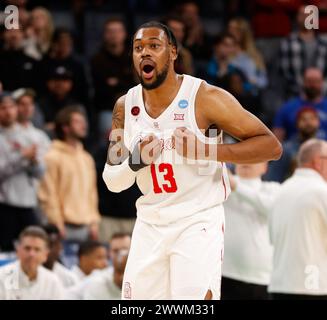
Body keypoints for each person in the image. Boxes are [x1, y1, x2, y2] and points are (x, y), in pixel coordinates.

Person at [102, 21, 282, 300]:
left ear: (172, 52)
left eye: (154, 46)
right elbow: (112, 180)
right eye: (138, 48)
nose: (145, 53)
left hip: (197, 221)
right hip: (149, 222)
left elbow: (271, 146)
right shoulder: (125, 107)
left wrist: (207, 150)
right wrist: (136, 160)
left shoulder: (206, 98)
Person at [269, 139, 327, 299]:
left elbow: (272, 238)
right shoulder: (322, 191)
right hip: (312, 286)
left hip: (279, 284)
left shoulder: (281, 191)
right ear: (319, 162)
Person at [38, 106, 100, 242]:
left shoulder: (86, 158)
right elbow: (48, 194)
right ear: (65, 128)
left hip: (86, 226)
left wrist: (94, 221)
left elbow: (92, 193)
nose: (84, 125)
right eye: (77, 122)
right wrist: (56, 223)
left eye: (84, 121)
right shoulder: (52, 157)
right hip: (62, 227)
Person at [221, 163, 280, 300]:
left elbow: (271, 209)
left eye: (255, 158)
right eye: (242, 157)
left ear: (265, 167)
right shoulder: (221, 183)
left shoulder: (273, 188)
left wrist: (236, 186)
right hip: (223, 272)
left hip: (259, 278)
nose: (247, 161)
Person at [0, 94, 45, 252]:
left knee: (34, 248)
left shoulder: (29, 135)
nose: (8, 112)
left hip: (28, 203)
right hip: (5, 205)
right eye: (3, 108)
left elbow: (40, 173)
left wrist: (33, 161)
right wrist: (21, 157)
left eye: (11, 107)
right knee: (5, 253)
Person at [0, 226, 65, 300]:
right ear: (18, 251)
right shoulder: (2, 276)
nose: (31, 254)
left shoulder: (52, 282)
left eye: (37, 250)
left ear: (45, 255)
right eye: (27, 248)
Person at [278, 5, 327, 96]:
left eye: (310, 14)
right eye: (302, 15)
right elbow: (285, 72)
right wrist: (304, 89)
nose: (306, 18)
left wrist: (318, 88)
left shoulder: (324, 44)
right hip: (294, 95)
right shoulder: (288, 42)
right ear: (297, 18)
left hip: (322, 95)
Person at [267, 106, 320, 182]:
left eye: (312, 119)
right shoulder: (285, 149)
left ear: (318, 122)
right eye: (304, 119)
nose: (308, 123)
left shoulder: (324, 148)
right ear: (297, 123)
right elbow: (272, 178)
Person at [273, 67, 327, 142]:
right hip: (294, 151)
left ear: (322, 83)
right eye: (310, 81)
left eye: (316, 81)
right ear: (303, 82)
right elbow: (276, 140)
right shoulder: (287, 108)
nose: (313, 85)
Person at [13, 88, 50, 158]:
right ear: (13, 107)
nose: (27, 108)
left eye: (30, 103)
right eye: (22, 104)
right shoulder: (6, 133)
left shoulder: (40, 135)